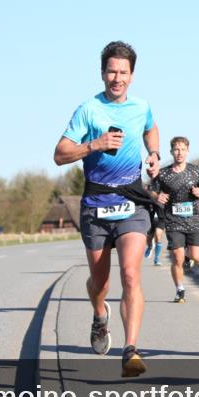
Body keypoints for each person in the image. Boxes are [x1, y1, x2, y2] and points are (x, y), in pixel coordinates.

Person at [53, 40, 161, 377]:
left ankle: (131, 348)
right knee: (100, 283)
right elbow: (59, 154)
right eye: (111, 71)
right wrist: (93, 145)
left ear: (132, 75)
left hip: (131, 201)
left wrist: (154, 154)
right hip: (96, 204)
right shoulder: (88, 110)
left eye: (123, 72)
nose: (117, 78)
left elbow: (151, 129)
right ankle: (100, 316)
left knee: (131, 274)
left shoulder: (141, 106)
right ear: (102, 73)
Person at [150, 136, 199, 303]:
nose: (179, 152)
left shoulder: (196, 171)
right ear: (171, 152)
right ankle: (179, 289)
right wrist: (157, 196)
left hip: (194, 217)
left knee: (198, 256)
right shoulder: (163, 174)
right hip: (173, 219)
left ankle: (190, 258)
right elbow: (151, 190)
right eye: (176, 149)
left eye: (183, 149)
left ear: (188, 151)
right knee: (177, 256)